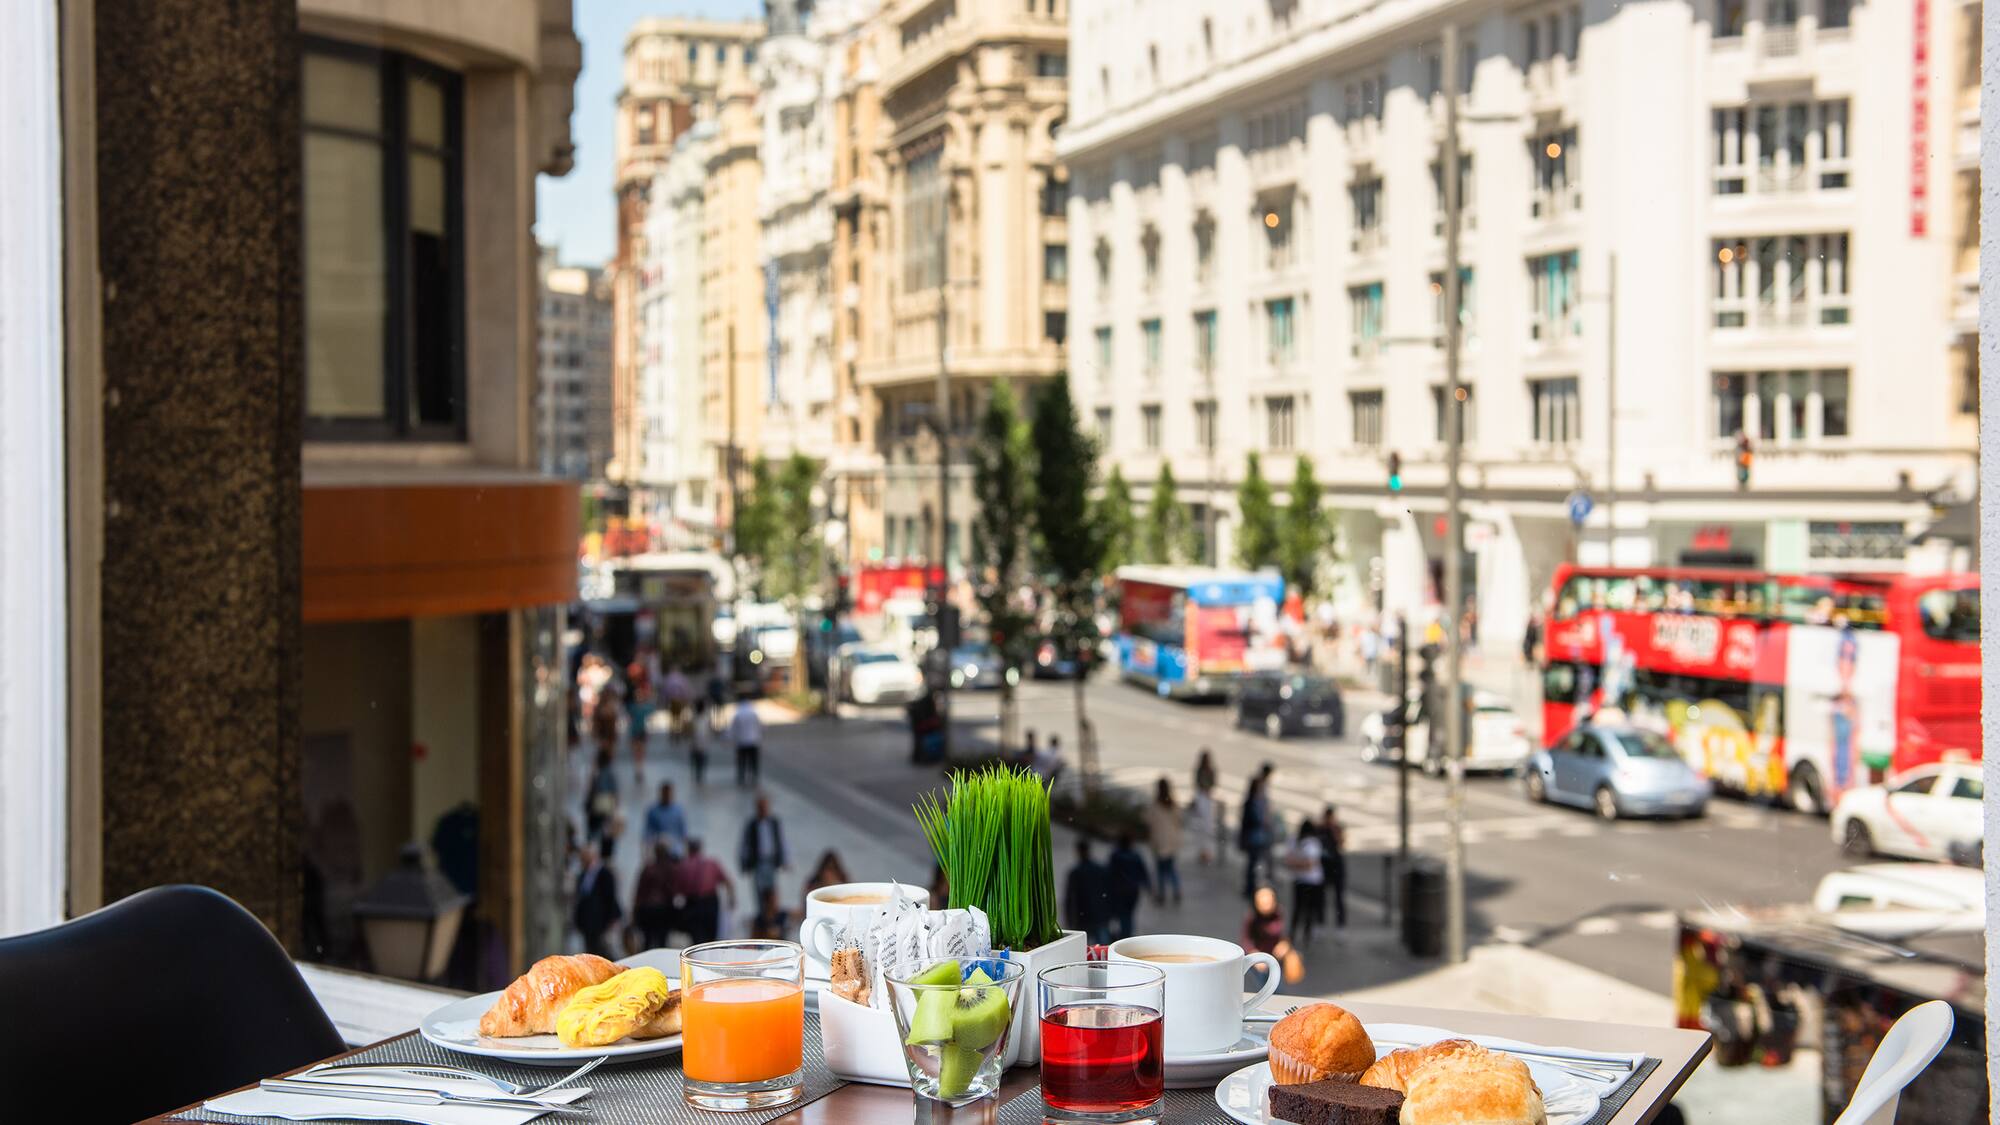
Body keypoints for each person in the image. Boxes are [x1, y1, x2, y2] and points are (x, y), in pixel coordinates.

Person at [673, 837, 735, 944]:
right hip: (710, 903)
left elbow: (677, 891)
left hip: (693, 904)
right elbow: (728, 882)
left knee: (697, 940)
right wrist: (731, 899)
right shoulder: (712, 863)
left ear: (688, 849)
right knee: (711, 939)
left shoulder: (683, 865)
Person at [1241, 886, 1304, 984]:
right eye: (1262, 903)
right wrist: (1255, 956)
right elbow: (1246, 940)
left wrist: (1285, 944)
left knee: (1278, 985)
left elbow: (1287, 933)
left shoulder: (1279, 913)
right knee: (1267, 985)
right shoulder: (1252, 918)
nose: (1266, 906)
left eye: (1268, 902)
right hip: (1260, 961)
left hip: (1277, 958)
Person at [572, 843, 622, 959]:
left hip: (602, 921)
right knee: (590, 953)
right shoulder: (582, 875)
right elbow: (581, 899)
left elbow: (610, 897)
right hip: (587, 923)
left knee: (604, 952)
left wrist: (611, 919)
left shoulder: (605, 873)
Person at [738, 794, 789, 902]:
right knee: (760, 890)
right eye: (761, 807)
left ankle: (771, 912)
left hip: (771, 862)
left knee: (772, 890)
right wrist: (743, 862)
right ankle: (762, 913)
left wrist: (785, 859)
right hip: (758, 863)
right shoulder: (752, 824)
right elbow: (745, 844)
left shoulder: (774, 822)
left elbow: (782, 841)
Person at [1061, 837, 1112, 945]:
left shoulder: (1075, 872)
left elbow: (1069, 898)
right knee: (1103, 949)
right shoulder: (1099, 869)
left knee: (1084, 950)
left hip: (1083, 917)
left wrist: (1069, 919)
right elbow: (1109, 891)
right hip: (1099, 915)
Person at [633, 841, 681, 950]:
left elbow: (639, 892)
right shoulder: (670, 869)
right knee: (662, 942)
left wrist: (635, 911)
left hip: (647, 910)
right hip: (663, 910)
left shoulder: (648, 868)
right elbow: (673, 891)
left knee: (647, 942)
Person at [1143, 778, 1184, 905]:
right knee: (1171, 868)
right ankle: (1177, 890)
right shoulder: (1172, 804)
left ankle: (1162, 894)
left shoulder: (1155, 805)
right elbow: (1179, 820)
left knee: (1160, 869)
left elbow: (1147, 821)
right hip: (1171, 841)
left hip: (1159, 841)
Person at [1284, 822, 1325, 946]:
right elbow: (1310, 864)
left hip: (1300, 880)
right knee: (1309, 910)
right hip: (1313, 881)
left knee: (1299, 909)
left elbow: (1290, 860)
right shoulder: (1312, 843)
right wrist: (1302, 863)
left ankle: (1294, 935)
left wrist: (1296, 863)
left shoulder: (1295, 841)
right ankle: (1306, 936)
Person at [1105, 833, 1151, 942]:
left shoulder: (1115, 856)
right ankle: (1127, 935)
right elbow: (1143, 872)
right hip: (1133, 891)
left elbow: (1109, 873)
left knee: (1122, 914)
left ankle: (1123, 936)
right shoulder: (1136, 855)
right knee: (1129, 915)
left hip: (1119, 891)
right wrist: (1148, 887)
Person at [1239, 775, 1275, 898]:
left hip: (1262, 837)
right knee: (1253, 864)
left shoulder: (1261, 801)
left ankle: (1258, 887)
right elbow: (1248, 821)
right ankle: (1250, 888)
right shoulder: (1251, 803)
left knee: (1261, 863)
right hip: (1254, 837)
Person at [1319, 805, 1348, 928]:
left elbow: (1341, 843)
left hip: (1336, 866)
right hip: (1324, 866)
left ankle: (1340, 925)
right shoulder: (1320, 830)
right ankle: (1320, 923)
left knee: (1339, 898)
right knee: (1321, 897)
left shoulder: (1336, 829)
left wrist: (1334, 831)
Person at [585, 747, 619, 847]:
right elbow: (614, 791)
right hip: (604, 806)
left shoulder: (598, 772)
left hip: (597, 806)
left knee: (597, 832)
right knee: (605, 832)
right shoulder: (606, 772)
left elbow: (591, 789)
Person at [643, 782, 688, 856]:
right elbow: (647, 834)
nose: (667, 796)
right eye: (665, 793)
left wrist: (686, 854)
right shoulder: (653, 811)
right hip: (659, 849)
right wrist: (646, 854)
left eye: (669, 794)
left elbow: (684, 834)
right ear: (661, 794)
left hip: (676, 850)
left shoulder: (679, 811)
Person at [729, 698, 764, 787]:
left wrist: (731, 739)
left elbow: (733, 729)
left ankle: (742, 778)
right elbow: (760, 727)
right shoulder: (753, 713)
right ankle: (754, 778)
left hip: (742, 742)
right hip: (753, 741)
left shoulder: (738, 714)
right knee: (753, 761)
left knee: (742, 762)